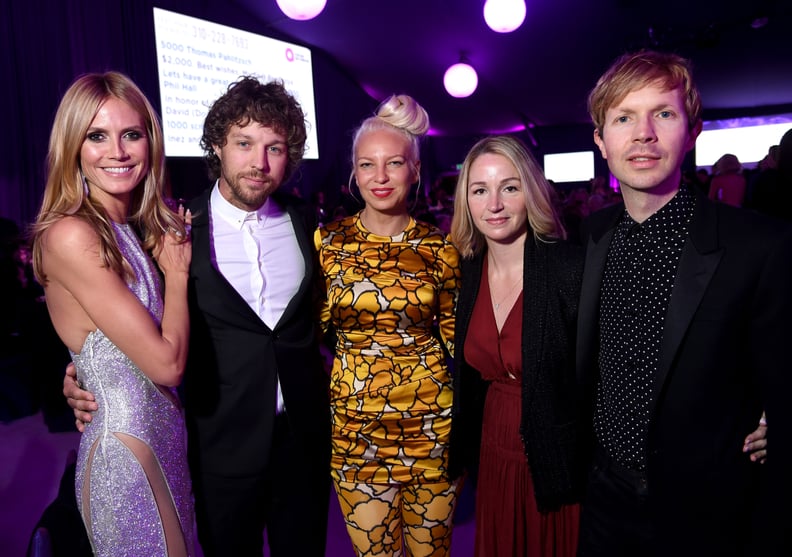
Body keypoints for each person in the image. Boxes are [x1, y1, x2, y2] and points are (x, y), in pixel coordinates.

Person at [64, 76, 331, 557]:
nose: (259, 162)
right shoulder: (171, 229)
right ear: (217, 146)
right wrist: (76, 375)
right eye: (244, 144)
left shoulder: (304, 222)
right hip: (219, 447)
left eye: (274, 147)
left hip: (304, 442)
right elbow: (109, 316)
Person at [576, 50, 792, 556]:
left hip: (709, 513)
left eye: (664, 113)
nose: (643, 133)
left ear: (692, 131)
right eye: (623, 117)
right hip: (604, 502)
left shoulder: (759, 246)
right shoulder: (589, 237)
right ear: (601, 142)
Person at [31, 71, 194, 556]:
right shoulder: (71, 234)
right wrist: (179, 275)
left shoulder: (127, 228)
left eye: (132, 135)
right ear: (73, 147)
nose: (118, 152)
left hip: (162, 441)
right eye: (97, 136)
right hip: (127, 453)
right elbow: (167, 364)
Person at [314, 94, 460, 556]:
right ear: (353, 173)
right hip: (356, 433)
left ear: (415, 170)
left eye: (393, 163)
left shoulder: (441, 248)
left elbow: (462, 339)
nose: (379, 177)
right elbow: (300, 331)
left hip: (433, 429)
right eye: (366, 165)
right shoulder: (327, 242)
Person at [448, 135, 585, 557]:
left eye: (509, 187)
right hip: (492, 450)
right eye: (479, 190)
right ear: (466, 201)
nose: (494, 204)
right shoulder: (465, 271)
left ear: (531, 190)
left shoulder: (569, 267)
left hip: (554, 455)